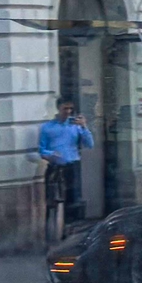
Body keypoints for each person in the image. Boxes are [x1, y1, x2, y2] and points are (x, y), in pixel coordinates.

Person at [37, 101, 93, 241]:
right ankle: (50, 235)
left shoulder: (75, 126)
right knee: (52, 201)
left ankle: (69, 233)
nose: (68, 111)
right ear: (58, 108)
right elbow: (41, 149)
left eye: (70, 108)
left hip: (72, 166)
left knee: (73, 200)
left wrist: (84, 127)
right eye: (65, 108)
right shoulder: (47, 127)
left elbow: (90, 144)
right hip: (55, 166)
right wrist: (50, 154)